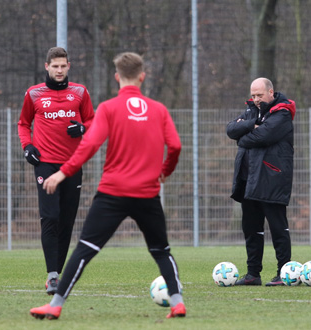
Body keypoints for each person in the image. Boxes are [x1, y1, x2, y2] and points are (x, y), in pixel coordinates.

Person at [29, 52, 185, 319]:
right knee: (161, 250)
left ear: (117, 77)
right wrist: (164, 171)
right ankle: (177, 302)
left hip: (113, 193)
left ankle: (55, 305)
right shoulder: (158, 109)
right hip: (147, 193)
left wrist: (62, 173)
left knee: (85, 250)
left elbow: (89, 145)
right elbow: (176, 146)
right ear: (142, 76)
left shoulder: (109, 108)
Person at [17, 47, 94, 295]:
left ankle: (57, 274)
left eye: (63, 66)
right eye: (55, 66)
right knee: (49, 217)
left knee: (66, 221)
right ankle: (52, 277)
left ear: (68, 66)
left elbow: (93, 122)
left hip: (73, 164)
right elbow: (23, 124)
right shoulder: (34, 94)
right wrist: (27, 146)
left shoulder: (80, 93)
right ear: (47, 66)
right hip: (46, 165)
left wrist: (82, 129)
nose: (59, 70)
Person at [226, 77, 296, 287]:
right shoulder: (251, 112)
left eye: (260, 95)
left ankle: (285, 273)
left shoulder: (282, 113)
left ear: (271, 92)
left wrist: (244, 135)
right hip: (250, 179)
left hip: (271, 178)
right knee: (251, 228)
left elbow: (261, 137)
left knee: (277, 227)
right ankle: (253, 274)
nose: (256, 99)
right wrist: (251, 125)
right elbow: (230, 129)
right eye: (253, 95)